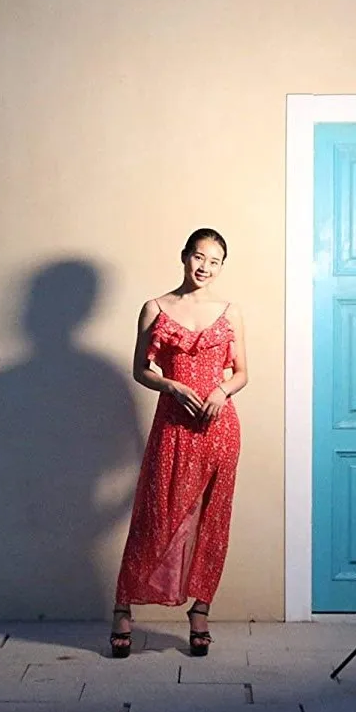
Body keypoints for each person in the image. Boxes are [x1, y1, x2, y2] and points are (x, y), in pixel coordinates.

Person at [110, 228, 247, 658]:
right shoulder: (155, 308)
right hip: (173, 425)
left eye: (215, 261)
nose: (205, 267)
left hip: (220, 430)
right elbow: (140, 370)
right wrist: (171, 386)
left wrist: (221, 391)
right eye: (199, 257)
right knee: (155, 514)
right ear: (185, 256)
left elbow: (242, 372)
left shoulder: (230, 312)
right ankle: (122, 608)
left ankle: (200, 611)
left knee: (212, 520)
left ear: (222, 266)